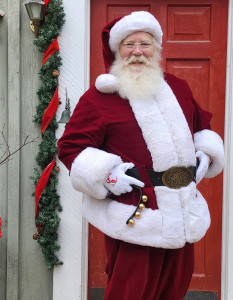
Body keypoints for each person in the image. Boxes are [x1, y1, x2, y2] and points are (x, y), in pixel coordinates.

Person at [58, 11, 224, 300]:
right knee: (130, 292)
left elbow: (202, 128)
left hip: (183, 209)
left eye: (145, 44)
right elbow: (71, 147)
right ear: (118, 52)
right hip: (137, 212)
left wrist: (206, 155)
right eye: (129, 44)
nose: (138, 52)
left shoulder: (178, 88)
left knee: (174, 289)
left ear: (156, 50)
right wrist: (107, 174)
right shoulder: (99, 98)